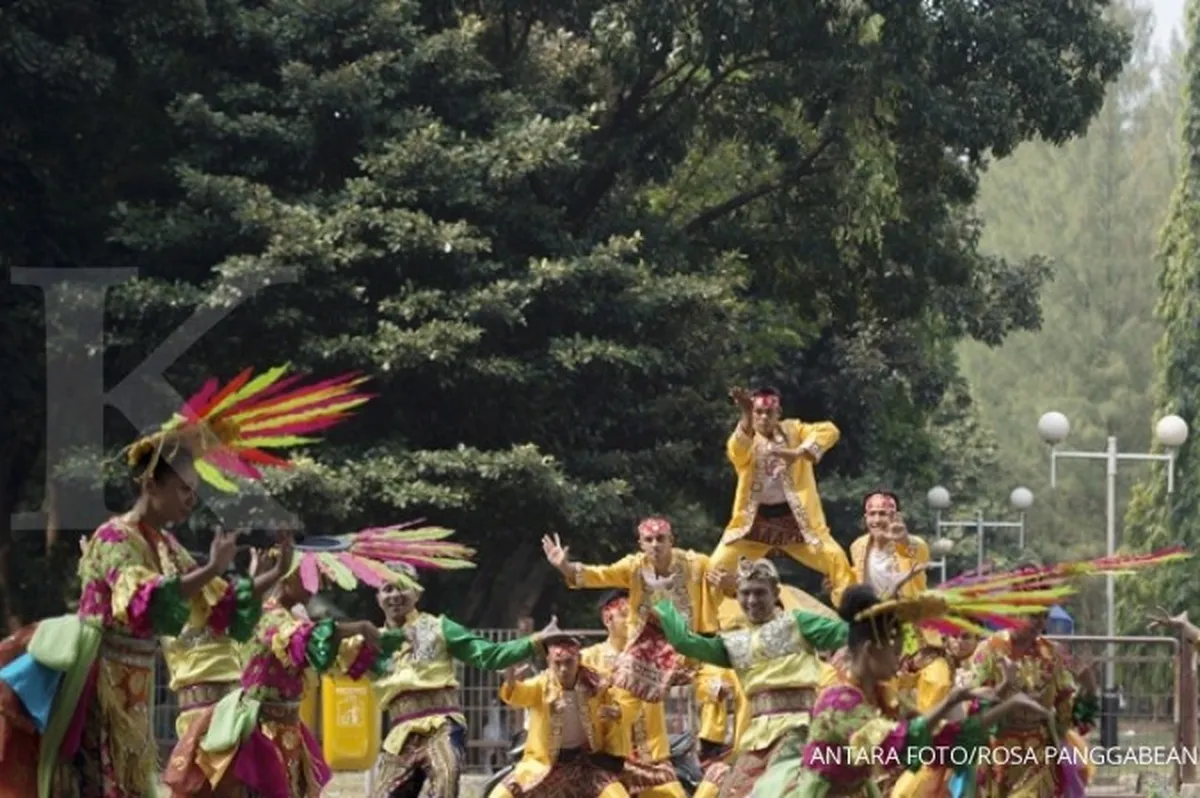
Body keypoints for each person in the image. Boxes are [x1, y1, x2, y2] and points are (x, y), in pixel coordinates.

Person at [787, 585, 1054, 798]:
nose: (900, 662)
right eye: (894, 653)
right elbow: (897, 743)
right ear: (870, 651)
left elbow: (946, 743)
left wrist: (1007, 703)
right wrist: (953, 699)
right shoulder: (839, 701)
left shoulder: (885, 698)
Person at [653, 558, 848, 797]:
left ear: (776, 592)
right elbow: (686, 642)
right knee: (731, 792)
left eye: (760, 592)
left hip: (800, 728)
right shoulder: (734, 642)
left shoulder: (798, 623)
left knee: (779, 790)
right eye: (745, 593)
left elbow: (845, 633)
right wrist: (661, 598)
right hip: (757, 737)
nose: (752, 600)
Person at [371, 565, 555, 798]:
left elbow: (489, 654)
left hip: (441, 724)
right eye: (387, 589)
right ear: (378, 597)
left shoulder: (438, 628)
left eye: (403, 588)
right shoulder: (371, 642)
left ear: (417, 593)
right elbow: (331, 661)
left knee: (446, 779)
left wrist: (537, 640)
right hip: (400, 733)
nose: (395, 595)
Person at [542, 516, 723, 702]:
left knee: (718, 685)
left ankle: (709, 726)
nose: (655, 545)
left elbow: (726, 580)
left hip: (690, 646)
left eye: (661, 538)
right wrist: (565, 566)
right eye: (649, 540)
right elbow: (600, 574)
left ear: (671, 540)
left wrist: (726, 582)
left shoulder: (697, 563)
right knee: (622, 689)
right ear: (641, 544)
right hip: (646, 649)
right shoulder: (633, 567)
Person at [711, 387, 853, 605]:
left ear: (779, 413)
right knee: (714, 570)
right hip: (753, 525)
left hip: (797, 524)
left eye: (769, 412)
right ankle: (707, 629)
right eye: (758, 412)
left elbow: (830, 430)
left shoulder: (794, 431)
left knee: (837, 561)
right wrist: (746, 415)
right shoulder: (746, 440)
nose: (763, 417)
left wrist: (798, 453)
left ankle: (852, 620)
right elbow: (736, 452)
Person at [489, 633, 630, 797]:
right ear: (549, 662)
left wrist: (618, 712)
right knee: (499, 795)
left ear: (578, 660)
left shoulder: (597, 685)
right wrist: (511, 681)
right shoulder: (541, 685)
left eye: (569, 662)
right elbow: (516, 695)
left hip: (586, 763)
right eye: (557, 663)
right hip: (544, 763)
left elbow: (622, 705)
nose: (563, 669)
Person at [582, 590, 689, 798]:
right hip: (607, 760)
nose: (633, 622)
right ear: (607, 618)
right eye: (625, 615)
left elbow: (697, 667)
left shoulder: (659, 657)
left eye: (638, 616)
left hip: (652, 759)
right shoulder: (587, 659)